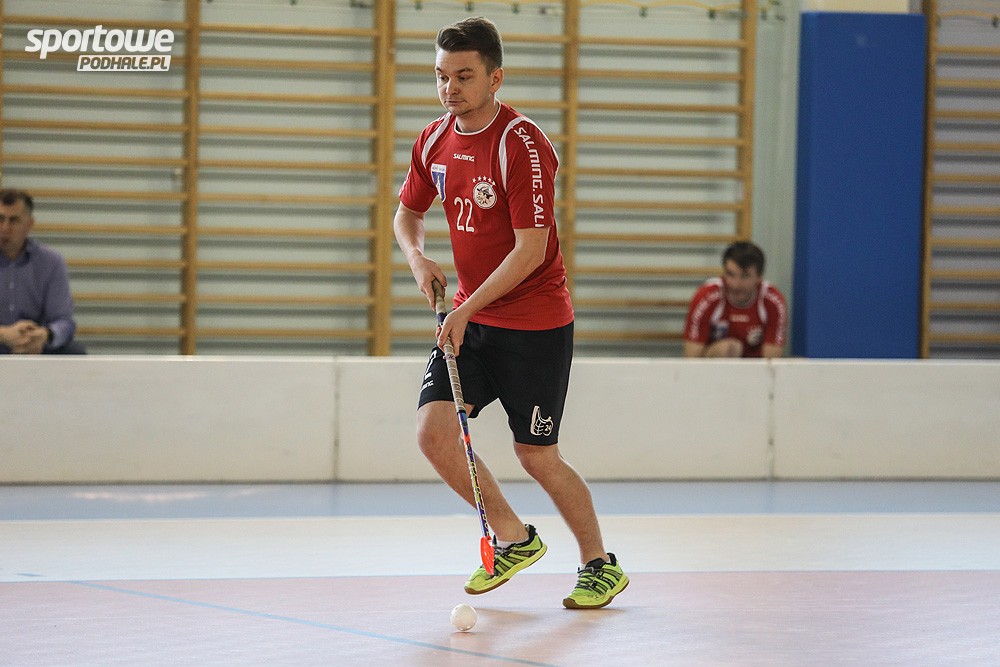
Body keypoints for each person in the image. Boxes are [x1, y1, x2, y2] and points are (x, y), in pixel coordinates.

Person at [393, 17, 628, 610]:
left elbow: (530, 249)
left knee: (536, 455)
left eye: (464, 76)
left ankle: (599, 565)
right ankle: (514, 538)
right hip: (472, 319)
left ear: (495, 78)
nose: (450, 88)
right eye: (441, 76)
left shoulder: (521, 144)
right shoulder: (433, 140)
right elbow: (407, 214)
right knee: (434, 435)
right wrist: (418, 259)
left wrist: (466, 308)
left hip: (533, 325)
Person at [0, 188, 86, 355]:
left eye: (14, 220)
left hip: (37, 347)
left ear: (29, 224)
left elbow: (64, 321)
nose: (5, 228)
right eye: (0, 219)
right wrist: (4, 334)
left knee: (75, 352)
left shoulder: (51, 262)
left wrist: (45, 335)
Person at [683, 240, 787, 359]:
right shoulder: (707, 297)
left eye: (745, 276)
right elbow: (691, 357)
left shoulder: (773, 301)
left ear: (759, 278)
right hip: (713, 367)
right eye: (730, 274)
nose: (736, 284)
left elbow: (771, 361)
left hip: (754, 368)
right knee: (729, 348)